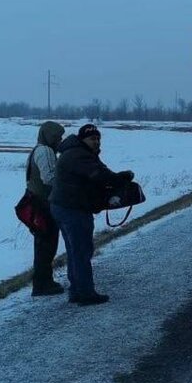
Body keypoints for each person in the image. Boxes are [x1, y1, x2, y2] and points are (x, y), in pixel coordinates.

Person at [49, 124, 134, 305]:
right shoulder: (78, 155)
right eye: (92, 139)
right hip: (72, 209)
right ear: (82, 139)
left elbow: (102, 173)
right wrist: (121, 179)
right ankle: (86, 294)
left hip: (64, 207)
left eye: (97, 139)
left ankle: (76, 291)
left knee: (74, 251)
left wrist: (117, 178)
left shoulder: (80, 153)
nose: (95, 142)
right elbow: (99, 175)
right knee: (81, 251)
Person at [26, 121, 66, 296]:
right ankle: (43, 284)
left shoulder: (37, 149)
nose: (60, 140)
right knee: (47, 244)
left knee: (42, 243)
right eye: (58, 136)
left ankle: (42, 282)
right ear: (50, 136)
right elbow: (49, 178)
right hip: (43, 203)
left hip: (36, 201)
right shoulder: (45, 151)